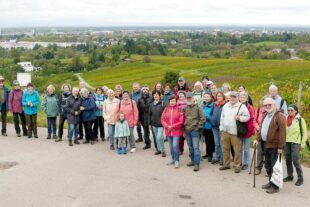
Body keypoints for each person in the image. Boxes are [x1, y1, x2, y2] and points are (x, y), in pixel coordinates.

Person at [254, 97, 286, 194]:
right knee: (267, 165)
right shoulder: (265, 115)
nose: (268, 106)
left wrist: (280, 147)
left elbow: (282, 132)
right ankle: (270, 182)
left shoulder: (279, 116)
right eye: (265, 105)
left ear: (274, 105)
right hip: (265, 144)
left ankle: (275, 186)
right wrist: (257, 139)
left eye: (269, 105)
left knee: (274, 166)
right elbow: (261, 128)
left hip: (275, 146)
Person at [219, 91, 250, 173]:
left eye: (234, 97)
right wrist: (221, 127)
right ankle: (226, 164)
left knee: (237, 150)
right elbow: (222, 117)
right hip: (225, 131)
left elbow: (247, 117)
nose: (232, 98)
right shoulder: (226, 105)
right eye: (231, 97)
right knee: (225, 149)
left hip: (235, 132)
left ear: (237, 98)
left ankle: (237, 166)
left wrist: (240, 118)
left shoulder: (242, 106)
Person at [283, 104, 307, 186]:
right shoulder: (286, 119)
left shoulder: (300, 120)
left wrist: (303, 143)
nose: (290, 112)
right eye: (288, 110)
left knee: (296, 161)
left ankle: (300, 178)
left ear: (296, 111)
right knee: (288, 160)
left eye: (291, 110)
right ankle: (290, 176)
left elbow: (304, 133)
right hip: (287, 142)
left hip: (296, 143)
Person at [184, 92, 206, 171]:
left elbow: (203, 118)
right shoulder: (185, 108)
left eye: (190, 98)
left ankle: (197, 164)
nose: (189, 99)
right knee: (190, 147)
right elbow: (183, 119)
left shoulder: (198, 107)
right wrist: (184, 129)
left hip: (195, 131)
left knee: (196, 147)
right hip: (187, 131)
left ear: (193, 99)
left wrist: (197, 127)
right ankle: (192, 160)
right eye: (188, 98)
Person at [161, 95, 185, 168]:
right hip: (168, 131)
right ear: (169, 102)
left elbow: (181, 121)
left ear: (176, 101)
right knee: (171, 147)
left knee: (175, 145)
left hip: (176, 131)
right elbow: (162, 119)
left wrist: (172, 126)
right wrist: (167, 126)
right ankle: (173, 159)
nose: (172, 102)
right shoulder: (166, 109)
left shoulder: (179, 109)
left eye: (174, 101)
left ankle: (177, 160)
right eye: (171, 101)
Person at [239, 92, 255, 170]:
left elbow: (252, 119)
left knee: (246, 148)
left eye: (244, 97)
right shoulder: (237, 106)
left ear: (246, 98)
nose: (242, 98)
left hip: (247, 130)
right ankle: (240, 162)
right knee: (239, 148)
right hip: (239, 130)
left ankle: (246, 163)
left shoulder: (250, 107)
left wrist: (250, 130)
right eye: (241, 97)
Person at [210, 92, 226, 165]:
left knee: (222, 143)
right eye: (218, 96)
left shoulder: (226, 105)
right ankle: (217, 157)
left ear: (223, 97)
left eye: (220, 96)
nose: (219, 97)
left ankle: (223, 158)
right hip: (214, 127)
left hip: (222, 127)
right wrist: (211, 119)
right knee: (216, 143)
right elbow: (211, 113)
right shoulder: (214, 104)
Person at [149, 90, 166, 157]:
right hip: (153, 124)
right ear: (153, 96)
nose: (155, 95)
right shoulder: (151, 104)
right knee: (156, 137)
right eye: (154, 94)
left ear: (159, 95)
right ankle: (159, 150)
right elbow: (149, 114)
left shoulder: (163, 103)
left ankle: (163, 150)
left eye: (157, 94)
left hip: (161, 124)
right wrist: (149, 123)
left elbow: (165, 114)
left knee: (159, 137)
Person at [254, 96, 267, 175]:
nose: (263, 102)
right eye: (262, 100)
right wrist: (257, 126)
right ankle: (258, 168)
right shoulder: (258, 110)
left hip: (267, 133)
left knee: (267, 152)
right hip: (259, 132)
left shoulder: (270, 110)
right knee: (259, 151)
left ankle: (268, 169)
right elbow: (254, 120)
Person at [137, 85, 152, 150]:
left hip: (151, 118)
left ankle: (158, 145)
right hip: (143, 118)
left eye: (146, 89)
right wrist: (139, 119)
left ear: (148, 91)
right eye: (144, 89)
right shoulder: (139, 100)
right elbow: (138, 110)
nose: (145, 90)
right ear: (142, 91)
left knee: (154, 132)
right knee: (145, 132)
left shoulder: (151, 98)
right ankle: (147, 144)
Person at [201, 92, 215, 162]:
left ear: (211, 97)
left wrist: (207, 117)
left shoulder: (213, 105)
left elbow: (214, 116)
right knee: (206, 141)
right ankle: (207, 153)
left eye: (207, 97)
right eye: (205, 97)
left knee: (210, 141)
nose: (206, 98)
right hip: (204, 126)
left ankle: (210, 155)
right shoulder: (202, 105)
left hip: (210, 126)